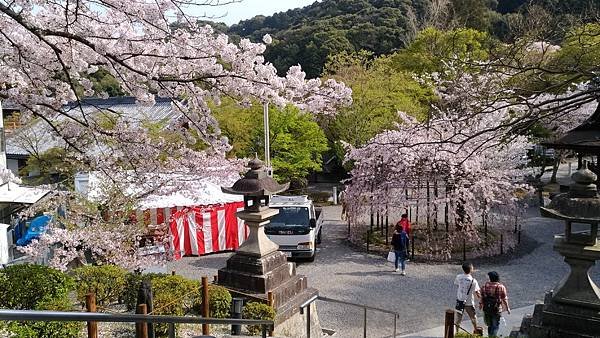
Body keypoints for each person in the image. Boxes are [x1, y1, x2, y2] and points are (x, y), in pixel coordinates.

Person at [479, 271, 510, 338]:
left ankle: (490, 336)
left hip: (486, 309)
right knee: (495, 325)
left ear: (490, 278)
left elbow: (482, 297)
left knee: (489, 325)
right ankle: (493, 336)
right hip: (497, 309)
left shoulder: (484, 286)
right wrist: (507, 308)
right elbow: (504, 298)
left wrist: (480, 305)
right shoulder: (501, 287)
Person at [454, 262, 481, 334]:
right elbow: (477, 292)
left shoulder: (458, 277)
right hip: (469, 302)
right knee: (473, 317)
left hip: (460, 301)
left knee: (458, 318)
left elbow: (457, 285)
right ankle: (475, 330)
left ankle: (457, 332)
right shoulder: (473, 281)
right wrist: (481, 300)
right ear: (471, 270)